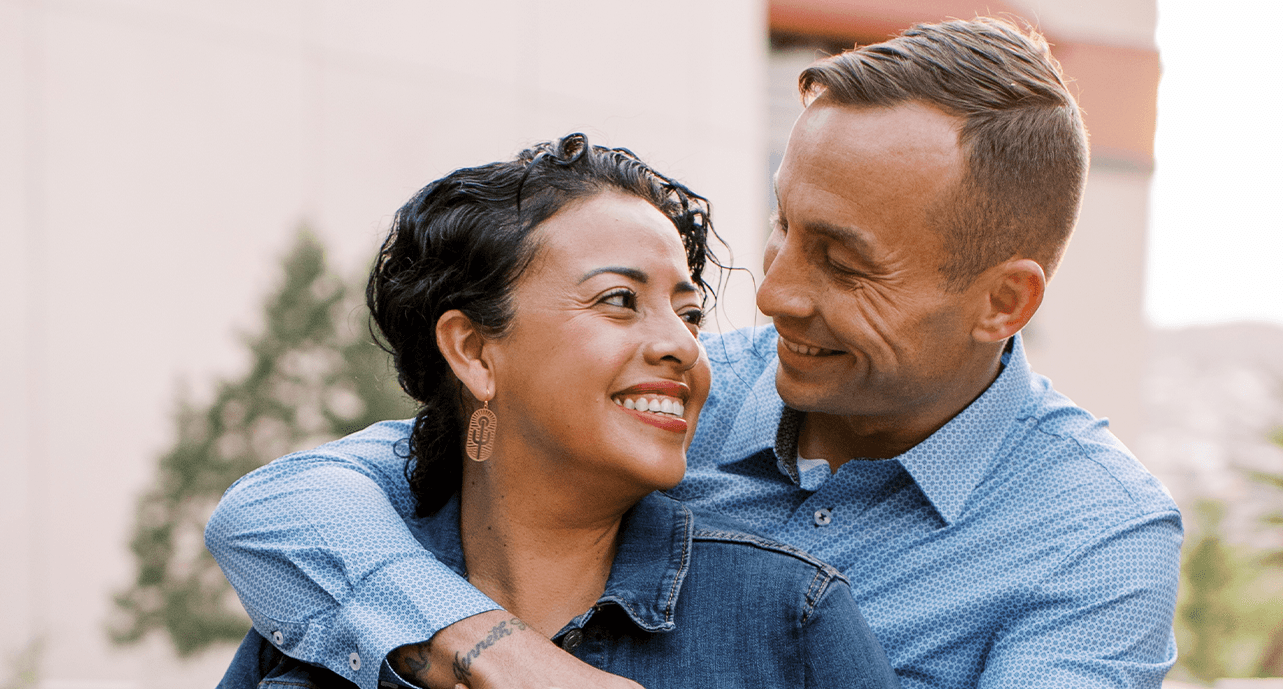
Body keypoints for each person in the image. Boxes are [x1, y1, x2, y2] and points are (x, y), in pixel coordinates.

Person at [207, 17, 1182, 689]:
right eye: (784, 228)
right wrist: (487, 648)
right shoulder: (670, 397)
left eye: (841, 261)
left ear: (1000, 300)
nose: (770, 291)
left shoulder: (1096, 539)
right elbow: (282, 503)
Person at [213, 134, 900, 689]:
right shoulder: (327, 619)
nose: (682, 346)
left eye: (689, 315)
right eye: (619, 301)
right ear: (475, 351)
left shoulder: (786, 618)